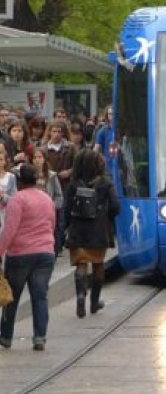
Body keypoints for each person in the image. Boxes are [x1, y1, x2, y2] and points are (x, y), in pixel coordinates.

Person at [0, 164, 56, 351]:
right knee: (40, 296)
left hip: (20, 255)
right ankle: (40, 337)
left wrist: (0, 251)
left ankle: (6, 336)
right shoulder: (47, 198)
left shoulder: (17, 199)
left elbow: (9, 230)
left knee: (12, 297)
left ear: (20, 180)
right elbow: (52, 223)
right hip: (45, 254)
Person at [65, 149, 120, 318]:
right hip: (98, 230)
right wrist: (105, 218)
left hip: (78, 230)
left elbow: (67, 208)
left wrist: (67, 227)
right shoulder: (105, 183)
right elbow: (116, 207)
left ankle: (81, 295)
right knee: (98, 264)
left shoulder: (73, 184)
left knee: (81, 263)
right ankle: (94, 302)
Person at [31, 147, 65, 257]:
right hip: (32, 210)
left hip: (48, 211)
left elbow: (59, 196)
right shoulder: (28, 175)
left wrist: (53, 205)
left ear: (44, 159)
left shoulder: (51, 176)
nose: (37, 160)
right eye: (35, 157)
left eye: (40, 157)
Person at [0, 149, 17, 228]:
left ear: (5, 162)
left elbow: (14, 197)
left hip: (6, 211)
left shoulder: (11, 177)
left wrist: (3, 197)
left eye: (1, 160)